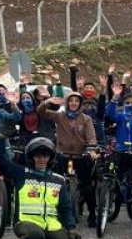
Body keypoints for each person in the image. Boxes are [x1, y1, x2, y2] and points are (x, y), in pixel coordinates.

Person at [0, 137, 84, 239]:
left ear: (50, 158)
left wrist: (71, 229)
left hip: (51, 225)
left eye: (45, 156)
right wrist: (1, 138)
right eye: (38, 156)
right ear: (32, 157)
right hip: (25, 223)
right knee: (36, 235)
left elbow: (65, 207)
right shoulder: (22, 174)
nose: (42, 159)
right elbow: (0, 160)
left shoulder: (58, 180)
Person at [38, 93, 99, 222]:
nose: (74, 103)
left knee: (87, 186)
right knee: (55, 184)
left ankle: (92, 213)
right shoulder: (60, 116)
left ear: (80, 103)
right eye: (71, 100)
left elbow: (91, 137)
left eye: (77, 101)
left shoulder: (86, 119)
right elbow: (41, 112)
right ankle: (53, 210)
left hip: (81, 156)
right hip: (62, 155)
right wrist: (48, 101)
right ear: (67, 102)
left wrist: (92, 150)